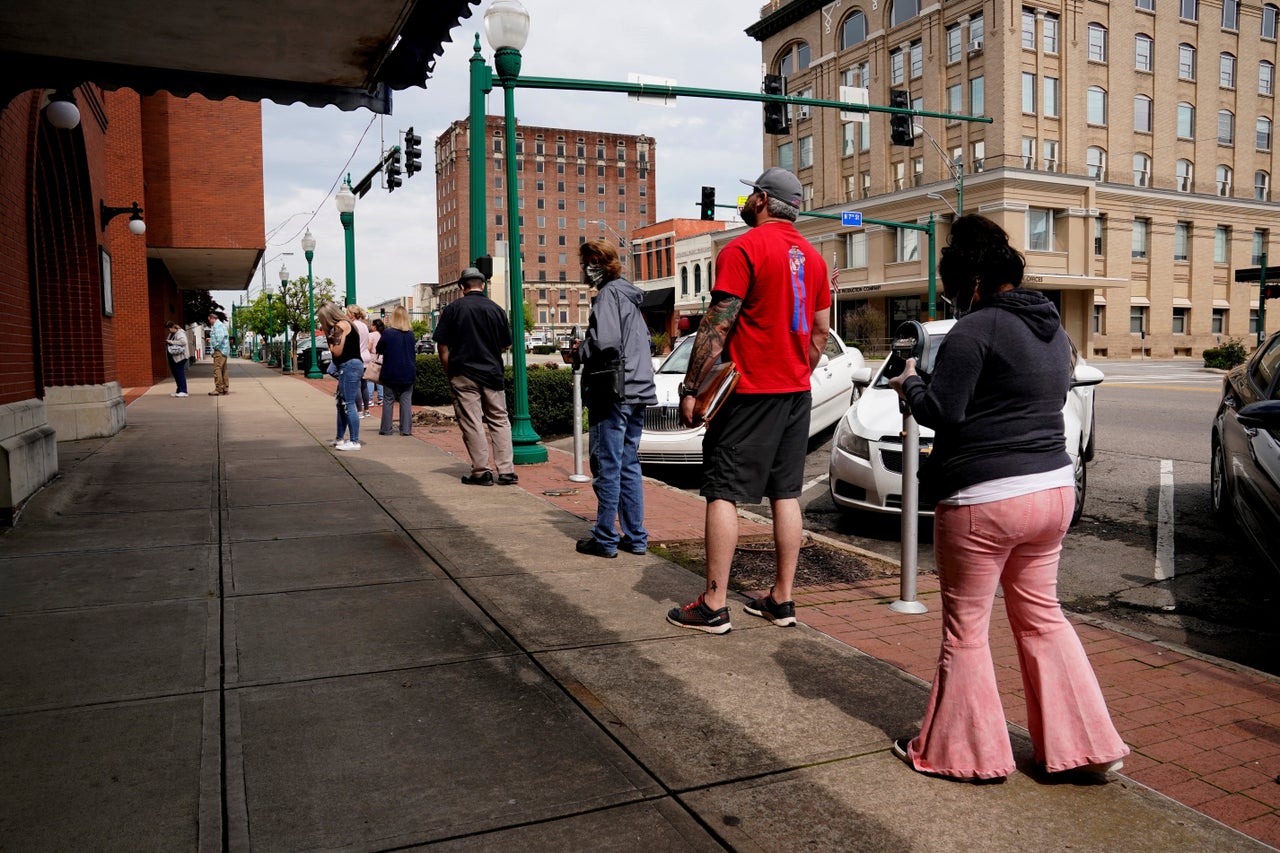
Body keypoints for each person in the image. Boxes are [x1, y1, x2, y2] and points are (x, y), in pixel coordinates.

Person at [887, 214, 1128, 783]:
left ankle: (966, 753)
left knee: (966, 629)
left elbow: (943, 412)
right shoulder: (1052, 329)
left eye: (951, 287)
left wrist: (910, 383)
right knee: (1043, 618)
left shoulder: (975, 331)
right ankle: (1083, 748)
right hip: (1051, 490)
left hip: (985, 500)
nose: (950, 300)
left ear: (971, 281)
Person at [667, 167, 830, 633]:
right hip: (796, 392)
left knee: (722, 491)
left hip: (749, 394)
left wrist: (691, 388)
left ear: (761, 199)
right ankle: (782, 598)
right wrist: (797, 368)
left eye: (751, 195)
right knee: (786, 494)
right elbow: (820, 330)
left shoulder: (742, 247)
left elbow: (717, 324)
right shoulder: (814, 259)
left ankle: (714, 603)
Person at [571, 239, 657, 558]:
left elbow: (606, 341)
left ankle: (605, 536)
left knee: (607, 463)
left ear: (599, 263)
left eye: (587, 262)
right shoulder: (628, 296)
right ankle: (635, 536)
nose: (585, 269)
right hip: (637, 388)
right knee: (629, 463)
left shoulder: (608, 294)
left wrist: (582, 350)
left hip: (614, 390)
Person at [432, 267, 518, 486]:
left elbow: (443, 346)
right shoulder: (496, 309)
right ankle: (506, 471)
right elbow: (506, 344)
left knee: (472, 422)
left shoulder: (453, 309)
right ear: (483, 285)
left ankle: (481, 471)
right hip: (492, 373)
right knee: (500, 419)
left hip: (462, 373)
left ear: (462, 287)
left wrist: (449, 371)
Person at [318, 301, 363, 451]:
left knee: (348, 403)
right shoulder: (348, 324)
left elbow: (336, 351)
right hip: (351, 366)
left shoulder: (340, 327)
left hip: (349, 366)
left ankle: (354, 441)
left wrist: (328, 336)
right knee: (342, 403)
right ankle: (340, 438)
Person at [375, 306, 417, 437]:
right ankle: (406, 429)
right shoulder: (411, 334)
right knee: (406, 400)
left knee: (388, 399)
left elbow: (379, 348)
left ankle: (386, 429)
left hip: (391, 371)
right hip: (408, 371)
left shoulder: (388, 333)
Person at [346, 304, 373, 418]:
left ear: (352, 314)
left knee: (356, 385)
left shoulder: (351, 326)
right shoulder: (364, 326)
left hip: (356, 357)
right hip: (366, 356)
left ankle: (359, 411)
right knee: (364, 385)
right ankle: (367, 409)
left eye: (347, 313)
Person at [207, 311, 230, 395]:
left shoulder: (217, 325)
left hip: (219, 351)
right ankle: (225, 388)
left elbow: (220, 337)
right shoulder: (221, 325)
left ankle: (219, 388)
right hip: (224, 350)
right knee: (223, 370)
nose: (209, 322)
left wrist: (215, 346)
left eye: (209, 320)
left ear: (212, 318)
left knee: (217, 369)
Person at [164, 321, 190, 397]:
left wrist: (171, 342)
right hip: (173, 357)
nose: (168, 331)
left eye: (169, 329)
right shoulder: (171, 334)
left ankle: (183, 391)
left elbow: (183, 342)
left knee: (179, 373)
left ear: (172, 327)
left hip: (180, 357)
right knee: (176, 374)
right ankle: (179, 390)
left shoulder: (180, 333)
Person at [368, 318, 386, 406]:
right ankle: (381, 399)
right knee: (379, 380)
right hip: (382, 359)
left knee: (370, 379)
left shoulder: (371, 335)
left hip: (373, 359)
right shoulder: (383, 334)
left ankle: (370, 399)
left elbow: (369, 347)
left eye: (372, 325)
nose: (371, 326)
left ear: (375, 326)